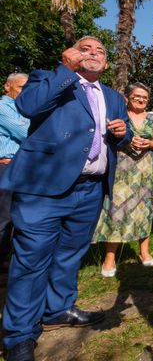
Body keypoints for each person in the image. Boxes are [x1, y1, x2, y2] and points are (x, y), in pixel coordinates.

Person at [0, 36, 131, 361]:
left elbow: (125, 134)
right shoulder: (47, 77)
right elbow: (28, 107)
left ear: (107, 62)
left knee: (69, 255)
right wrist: (67, 69)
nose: (94, 53)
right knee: (31, 261)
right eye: (85, 48)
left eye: (100, 51)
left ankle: (58, 309)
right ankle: (19, 334)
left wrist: (122, 131)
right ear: (70, 53)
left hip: (90, 190)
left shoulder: (113, 96)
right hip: (43, 188)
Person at [93, 82, 153, 276]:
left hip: (145, 171)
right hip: (122, 170)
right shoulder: (120, 116)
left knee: (145, 209)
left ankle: (144, 252)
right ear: (127, 98)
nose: (141, 100)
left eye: (145, 98)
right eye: (137, 97)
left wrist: (150, 143)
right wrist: (127, 140)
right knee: (117, 210)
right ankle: (109, 258)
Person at [0, 73, 29, 270]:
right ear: (7, 87)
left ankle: (9, 262)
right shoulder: (3, 108)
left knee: (20, 217)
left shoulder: (25, 109)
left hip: (25, 167)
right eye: (20, 87)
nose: (24, 92)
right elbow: (26, 133)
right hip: (7, 167)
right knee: (4, 217)